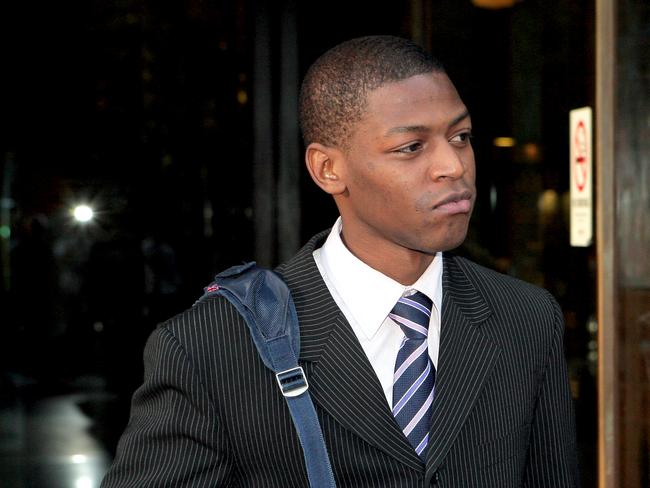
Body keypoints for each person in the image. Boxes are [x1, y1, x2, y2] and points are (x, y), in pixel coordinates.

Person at [101, 35, 579, 487]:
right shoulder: (211, 345)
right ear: (329, 169)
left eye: (461, 136)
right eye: (411, 147)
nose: (454, 166)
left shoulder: (525, 319)